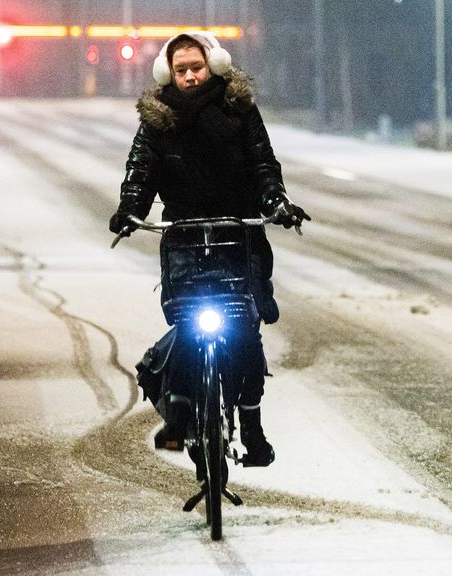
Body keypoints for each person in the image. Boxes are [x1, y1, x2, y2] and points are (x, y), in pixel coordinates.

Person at [109, 31, 309, 467]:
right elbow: (141, 170)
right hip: (184, 239)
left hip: (238, 235)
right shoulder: (157, 119)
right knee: (187, 328)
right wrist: (129, 209)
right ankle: (179, 421)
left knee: (244, 334)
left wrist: (277, 203)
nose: (190, 76)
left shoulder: (239, 110)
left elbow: (262, 165)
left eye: (196, 67)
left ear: (214, 64)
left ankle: (252, 430)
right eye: (180, 70)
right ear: (169, 74)